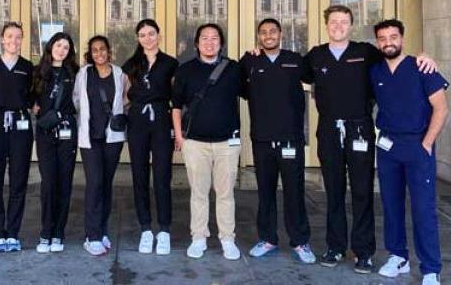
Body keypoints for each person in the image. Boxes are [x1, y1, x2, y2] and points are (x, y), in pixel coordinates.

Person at [302, 5, 436, 273]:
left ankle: (363, 252)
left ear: (351, 25)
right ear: (326, 25)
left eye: (344, 22)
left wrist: (424, 57)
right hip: (329, 131)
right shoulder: (315, 56)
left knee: (362, 192)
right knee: (334, 191)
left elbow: (396, 57)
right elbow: (295, 76)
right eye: (333, 22)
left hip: (360, 130)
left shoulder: (366, 53)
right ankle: (335, 246)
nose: (338, 26)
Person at [371, 19, 449, 285]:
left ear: (402, 38)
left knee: (423, 209)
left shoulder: (422, 67)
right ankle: (398, 257)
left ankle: (430, 268)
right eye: (382, 38)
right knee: (391, 205)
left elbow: (441, 108)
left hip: (418, 145)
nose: (388, 42)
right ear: (377, 42)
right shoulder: (376, 72)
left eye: (393, 36)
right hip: (388, 147)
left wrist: (427, 143)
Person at [239, 18, 315, 264]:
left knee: (295, 192)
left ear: (280, 34)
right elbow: (236, 86)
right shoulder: (249, 61)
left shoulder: (295, 59)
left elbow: (320, 78)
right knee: (265, 192)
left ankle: (300, 241)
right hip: (262, 139)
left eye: (273, 31)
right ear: (258, 36)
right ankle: (268, 238)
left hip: (291, 138)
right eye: (263, 32)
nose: (268, 35)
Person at [172, 23, 242, 261]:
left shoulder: (233, 69)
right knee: (199, 193)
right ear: (196, 43)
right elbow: (176, 107)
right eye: (205, 38)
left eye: (214, 38)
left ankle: (227, 238)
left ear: (221, 43)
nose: (209, 42)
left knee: (225, 193)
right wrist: (180, 136)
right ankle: (199, 237)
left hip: (227, 143)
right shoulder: (185, 70)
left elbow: (254, 90)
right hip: (195, 143)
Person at [122, 19, 179, 255]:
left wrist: (178, 129)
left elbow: (177, 97)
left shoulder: (171, 63)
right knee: (139, 174)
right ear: (138, 38)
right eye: (143, 34)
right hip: (137, 122)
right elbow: (125, 96)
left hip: (161, 120)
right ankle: (146, 229)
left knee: (163, 175)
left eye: (151, 33)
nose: (148, 38)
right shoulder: (132, 64)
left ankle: (164, 230)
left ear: (159, 35)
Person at [73, 35, 128, 256]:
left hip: (112, 138)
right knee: (94, 183)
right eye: (94, 50)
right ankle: (92, 235)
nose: (99, 53)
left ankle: (102, 229)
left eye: (102, 49)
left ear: (109, 51)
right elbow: (76, 99)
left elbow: (125, 99)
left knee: (106, 183)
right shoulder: (83, 73)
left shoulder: (119, 73)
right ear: (90, 53)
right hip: (90, 137)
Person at [0, 22, 34, 253]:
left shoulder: (28, 66)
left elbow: (35, 99)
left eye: (18, 37)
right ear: (2, 39)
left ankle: (13, 233)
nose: (14, 41)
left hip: (21, 126)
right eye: (9, 36)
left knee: (18, 180)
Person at [32, 32, 79, 254]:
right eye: (58, 45)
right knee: (48, 183)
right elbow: (28, 97)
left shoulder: (75, 73)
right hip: (45, 132)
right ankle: (45, 232)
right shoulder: (38, 72)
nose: (62, 50)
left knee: (64, 183)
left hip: (67, 130)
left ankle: (59, 232)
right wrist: (33, 107)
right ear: (51, 47)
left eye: (66, 47)